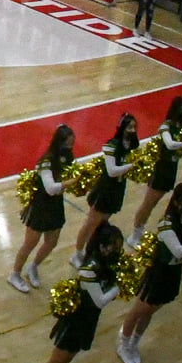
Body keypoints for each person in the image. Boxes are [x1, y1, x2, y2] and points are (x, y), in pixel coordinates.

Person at [27, 223, 122, 363]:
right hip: (76, 320)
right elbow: (101, 300)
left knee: (68, 358)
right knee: (58, 359)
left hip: (88, 318)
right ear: (102, 247)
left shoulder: (105, 266)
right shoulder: (89, 271)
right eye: (114, 246)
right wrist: (118, 287)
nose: (117, 251)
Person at [117, 183, 182, 363]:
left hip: (173, 272)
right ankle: (123, 343)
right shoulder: (166, 224)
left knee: (151, 310)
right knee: (139, 309)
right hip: (159, 271)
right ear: (176, 201)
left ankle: (134, 344)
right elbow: (179, 251)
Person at [8, 124, 77, 292]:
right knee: (30, 243)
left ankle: (33, 266)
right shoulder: (46, 162)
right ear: (59, 141)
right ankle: (14, 274)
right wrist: (71, 182)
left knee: (52, 242)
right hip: (41, 205)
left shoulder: (67, 156)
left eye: (72, 142)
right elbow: (51, 188)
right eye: (68, 142)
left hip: (55, 204)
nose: (70, 146)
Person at [70, 113, 137, 268]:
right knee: (91, 223)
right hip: (105, 189)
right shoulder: (110, 146)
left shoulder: (131, 145)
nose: (132, 130)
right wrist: (131, 166)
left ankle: (91, 252)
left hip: (118, 189)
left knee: (102, 224)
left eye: (134, 127)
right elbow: (112, 171)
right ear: (122, 128)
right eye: (129, 127)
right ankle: (77, 254)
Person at [129, 95, 182, 234]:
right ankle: (136, 233)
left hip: (172, 169)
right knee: (149, 204)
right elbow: (169, 144)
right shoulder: (166, 126)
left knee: (154, 203)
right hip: (161, 169)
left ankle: (139, 231)